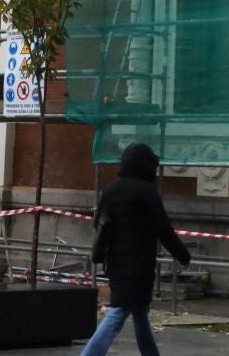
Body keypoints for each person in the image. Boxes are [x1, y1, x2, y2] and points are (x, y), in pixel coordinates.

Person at [81, 143, 191, 356]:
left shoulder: (111, 191)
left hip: (116, 263)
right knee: (118, 312)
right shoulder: (147, 192)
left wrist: (100, 253)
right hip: (140, 264)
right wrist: (182, 254)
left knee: (139, 311)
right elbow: (163, 228)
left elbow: (101, 224)